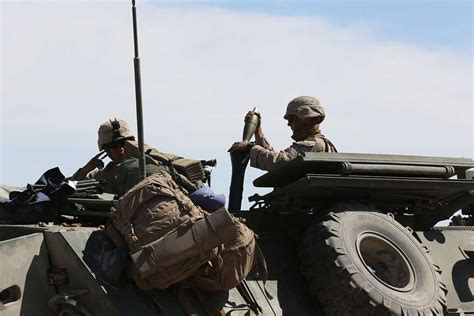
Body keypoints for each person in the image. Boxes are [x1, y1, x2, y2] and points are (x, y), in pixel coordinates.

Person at [228, 96, 337, 171]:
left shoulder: (315, 144)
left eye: (291, 119)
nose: (289, 125)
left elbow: (279, 163)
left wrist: (249, 147)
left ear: (304, 119)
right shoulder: (317, 143)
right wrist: (258, 132)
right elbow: (279, 160)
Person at [71, 118, 135, 193]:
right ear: (106, 150)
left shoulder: (141, 169)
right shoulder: (99, 175)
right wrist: (84, 171)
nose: (121, 148)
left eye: (124, 143)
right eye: (114, 145)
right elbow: (69, 189)